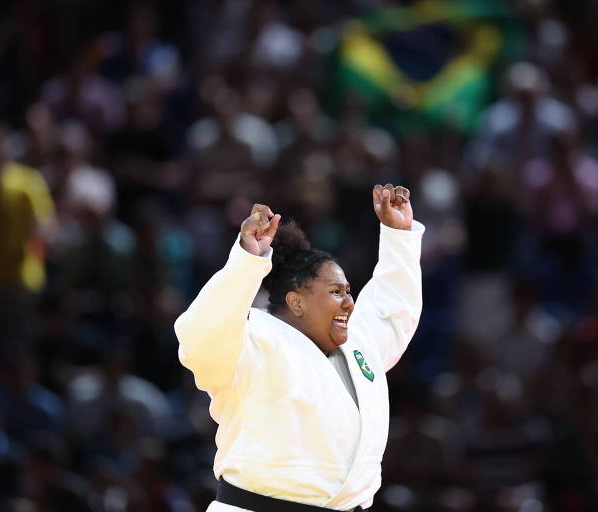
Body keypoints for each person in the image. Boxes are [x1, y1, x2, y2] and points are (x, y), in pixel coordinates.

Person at [174, 184, 424, 511]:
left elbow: (389, 311)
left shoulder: (356, 344)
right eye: (336, 292)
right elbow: (201, 335)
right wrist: (248, 262)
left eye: (349, 292)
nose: (349, 302)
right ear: (297, 301)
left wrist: (398, 236)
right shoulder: (252, 338)